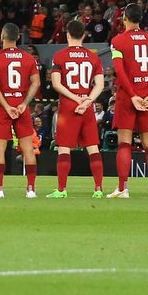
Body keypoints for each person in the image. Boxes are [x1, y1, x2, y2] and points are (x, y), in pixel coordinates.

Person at [108, 3, 148, 198]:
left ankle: (123, 188)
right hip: (146, 97)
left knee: (125, 143)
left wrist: (132, 96)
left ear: (124, 18)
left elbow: (119, 71)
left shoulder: (117, 41)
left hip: (127, 97)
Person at [49, 20, 105, 199]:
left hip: (68, 105)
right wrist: (88, 100)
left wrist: (76, 99)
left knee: (64, 149)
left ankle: (61, 189)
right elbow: (100, 84)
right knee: (93, 148)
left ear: (67, 35)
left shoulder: (59, 56)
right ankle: (98, 189)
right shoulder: (93, 56)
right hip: (86, 106)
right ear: (84, 35)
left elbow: (56, 84)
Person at [0, 23, 40, 199]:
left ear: (2, 36)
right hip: (21, 106)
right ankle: (31, 189)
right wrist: (24, 103)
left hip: (3, 107)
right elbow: (36, 83)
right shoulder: (28, 58)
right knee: (28, 150)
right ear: (18, 37)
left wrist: (7, 106)